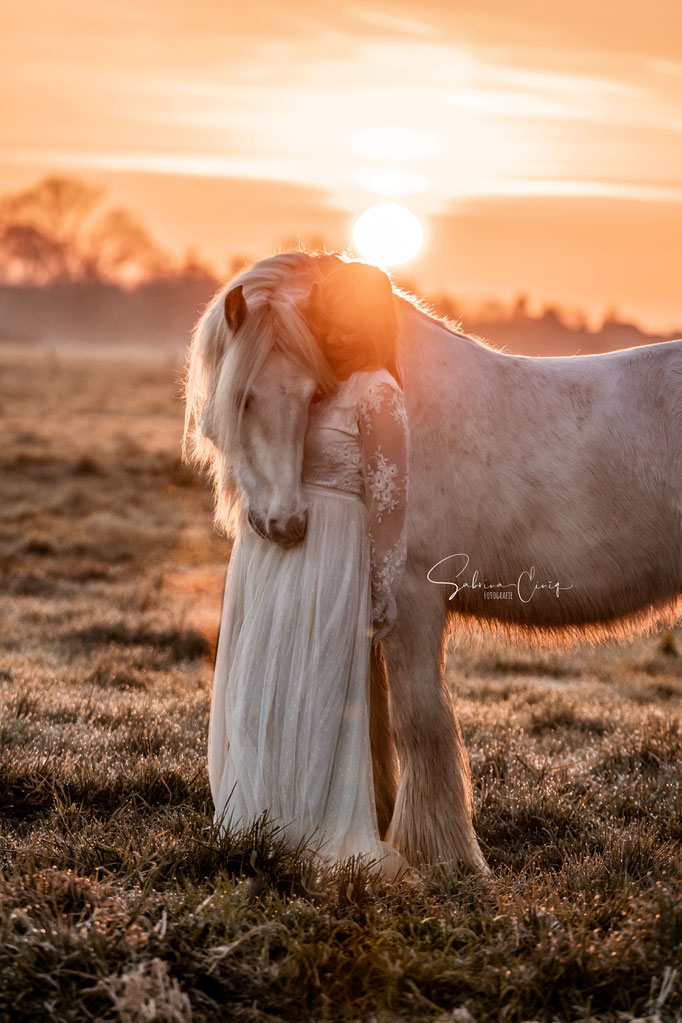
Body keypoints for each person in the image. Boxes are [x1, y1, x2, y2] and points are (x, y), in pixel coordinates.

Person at [204, 261, 411, 881]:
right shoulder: (311, 378)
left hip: (335, 555)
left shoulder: (380, 390)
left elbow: (391, 499)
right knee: (262, 677)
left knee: (321, 687)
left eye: (350, 320)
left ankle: (313, 823)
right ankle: (258, 813)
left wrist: (381, 584)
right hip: (274, 554)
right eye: (329, 318)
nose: (336, 331)